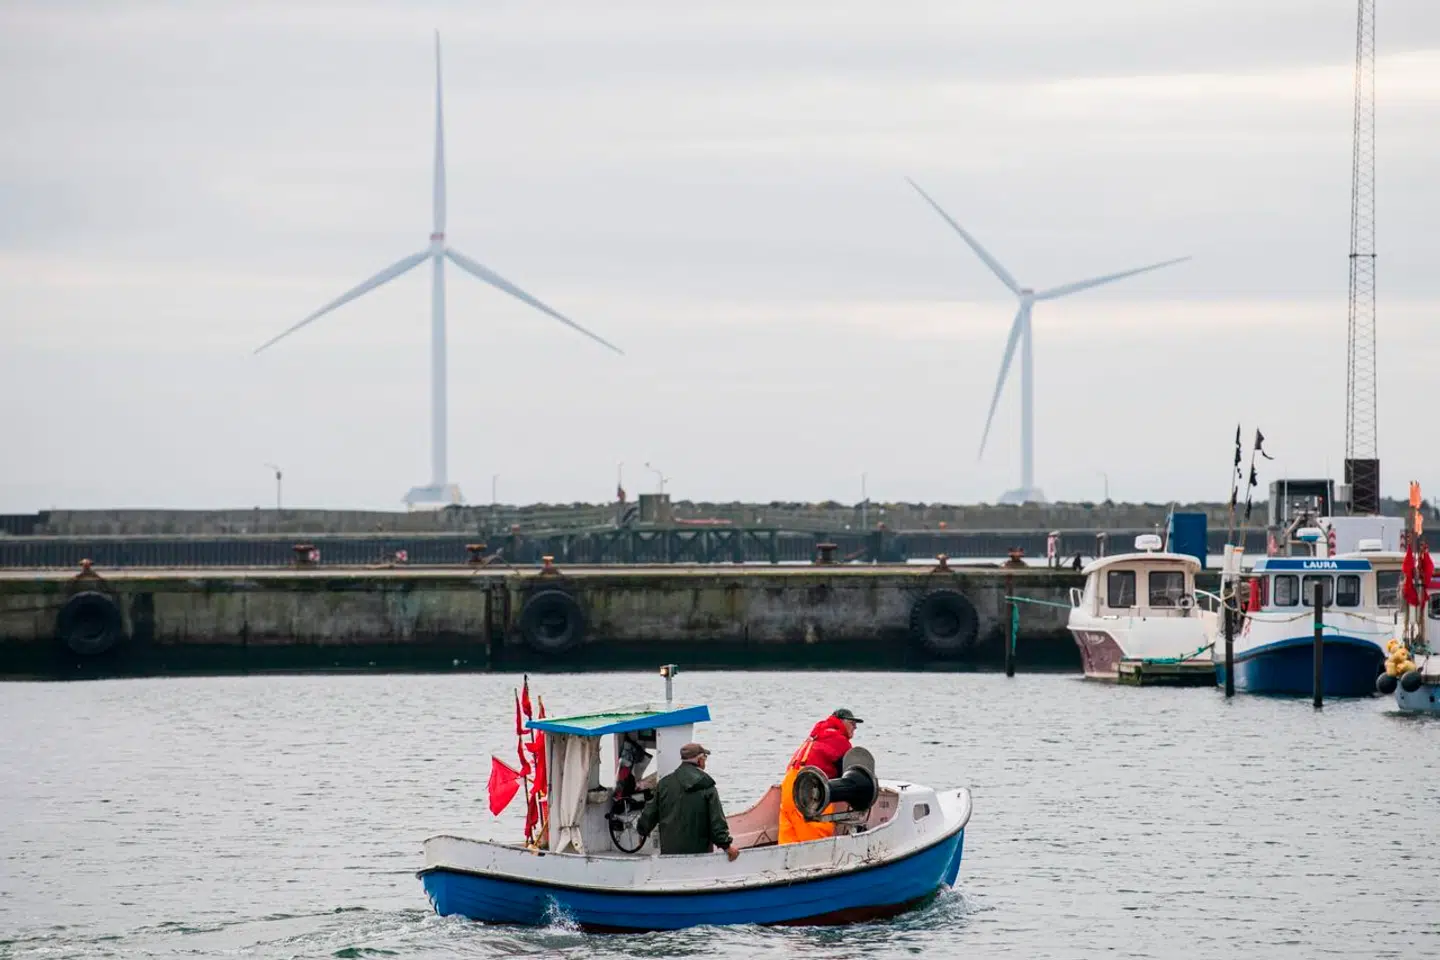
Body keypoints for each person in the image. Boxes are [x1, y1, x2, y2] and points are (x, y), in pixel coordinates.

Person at [636, 742, 740, 860]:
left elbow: (649, 815)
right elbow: (717, 824)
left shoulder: (664, 784)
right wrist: (727, 847)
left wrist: (642, 831)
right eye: (705, 758)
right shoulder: (707, 786)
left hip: (669, 855)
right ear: (700, 760)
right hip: (699, 855)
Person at [777, 708, 862, 845]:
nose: (855, 727)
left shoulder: (816, 735)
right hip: (810, 787)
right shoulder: (839, 740)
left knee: (788, 843)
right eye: (852, 723)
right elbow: (848, 775)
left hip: (789, 784)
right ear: (842, 722)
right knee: (816, 841)